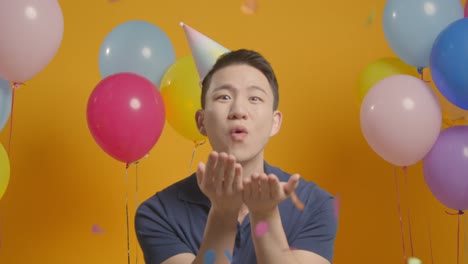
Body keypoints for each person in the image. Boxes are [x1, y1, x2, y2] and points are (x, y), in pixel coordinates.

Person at [135, 49, 337, 264]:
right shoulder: (158, 213)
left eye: (255, 98)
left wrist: (265, 215)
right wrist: (223, 214)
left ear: (274, 122)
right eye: (224, 97)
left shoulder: (316, 204)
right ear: (201, 121)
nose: (238, 110)